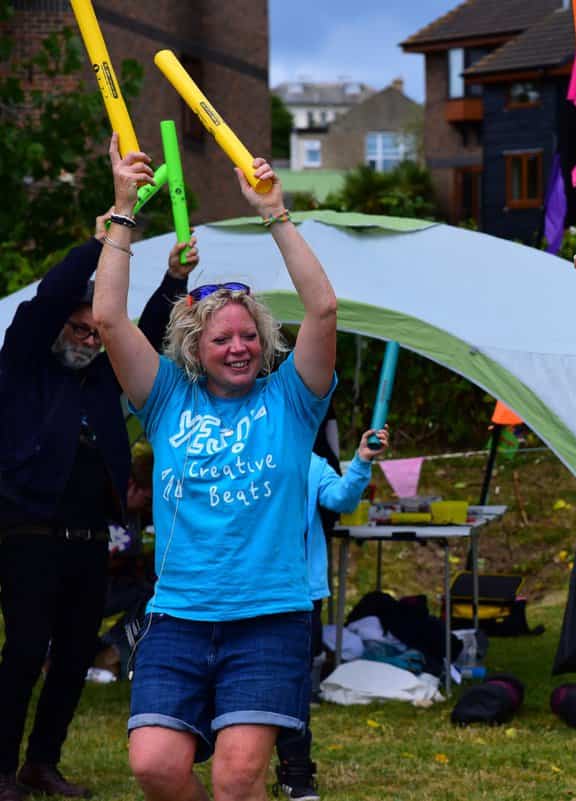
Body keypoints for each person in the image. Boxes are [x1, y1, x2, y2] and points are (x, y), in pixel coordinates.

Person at [92, 133, 338, 801]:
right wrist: (121, 212)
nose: (239, 346)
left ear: (264, 341)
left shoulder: (291, 399)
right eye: (223, 337)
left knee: (236, 777)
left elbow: (323, 308)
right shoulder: (169, 396)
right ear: (195, 346)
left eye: (249, 335)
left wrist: (275, 213)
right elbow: (110, 318)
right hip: (179, 616)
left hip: (267, 616)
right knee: (155, 765)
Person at [0, 208, 195, 801]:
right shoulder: (24, 360)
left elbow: (143, 331)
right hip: (26, 528)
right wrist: (102, 238)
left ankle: (42, 764)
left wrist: (173, 282)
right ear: (58, 327)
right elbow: (51, 294)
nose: (89, 340)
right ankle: (1, 769)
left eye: (95, 333)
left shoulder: (104, 377)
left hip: (89, 537)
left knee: (75, 654)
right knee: (27, 648)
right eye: (80, 330)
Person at [274, 426, 388, 801]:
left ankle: (296, 773)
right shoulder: (237, 459)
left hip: (302, 594)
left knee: (295, 684)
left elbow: (342, 500)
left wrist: (361, 462)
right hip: (247, 593)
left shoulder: (310, 462)